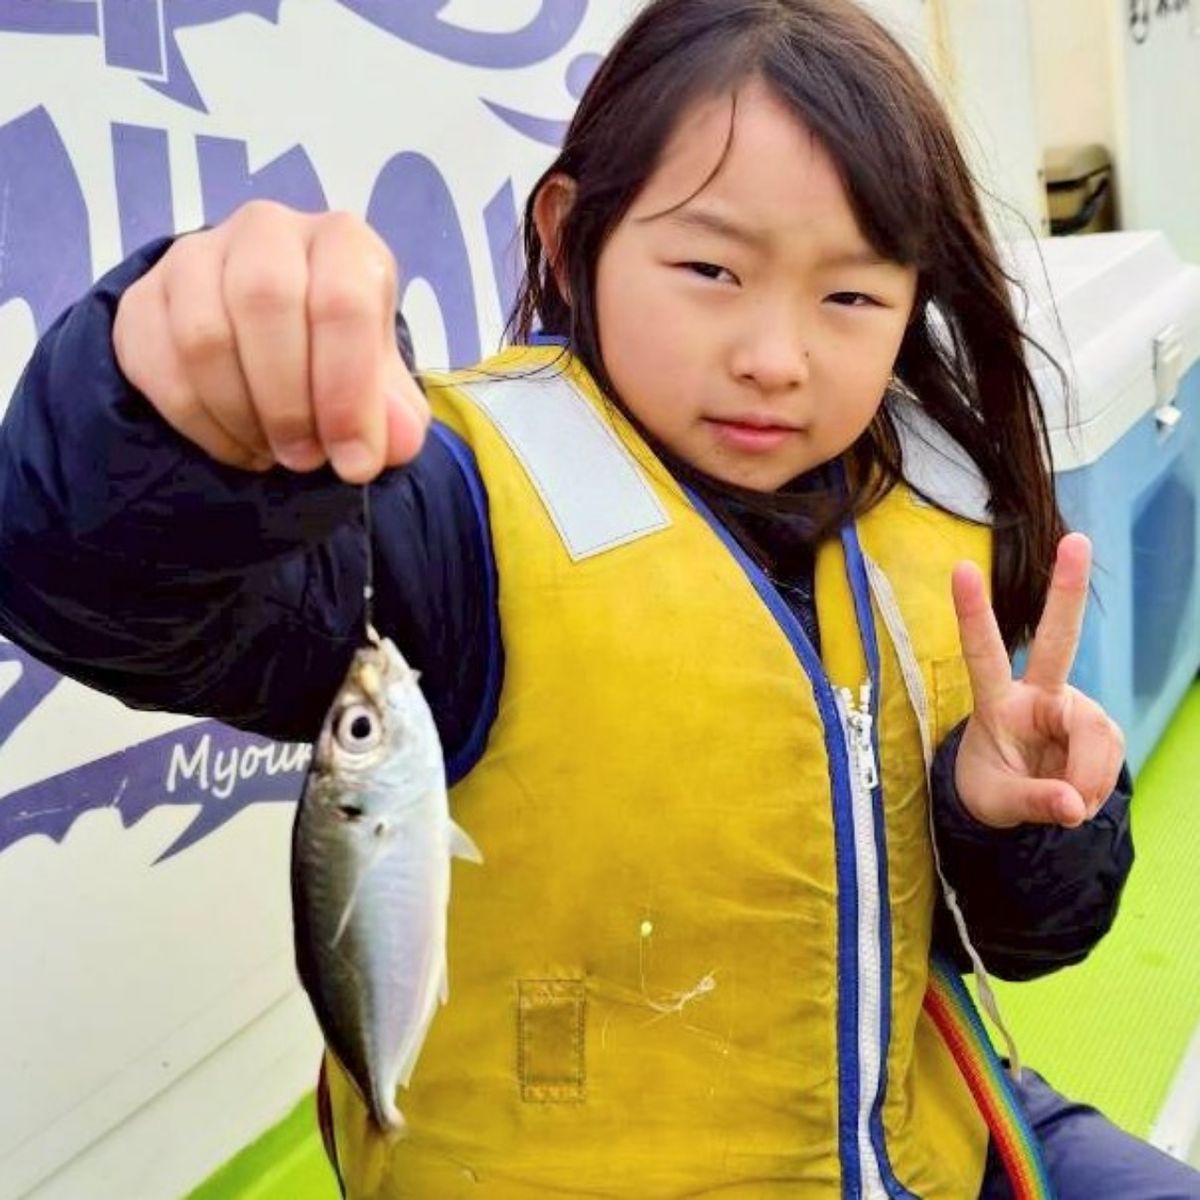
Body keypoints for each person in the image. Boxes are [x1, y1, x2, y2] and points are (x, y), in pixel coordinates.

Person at [0, 0, 1195, 1196]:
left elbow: (1031, 942)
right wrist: (156, 411)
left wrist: (1021, 824)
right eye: (710, 269)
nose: (776, 357)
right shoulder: (449, 512)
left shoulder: (938, 506)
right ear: (571, 239)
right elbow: (102, 591)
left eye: (850, 298)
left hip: (935, 1143)